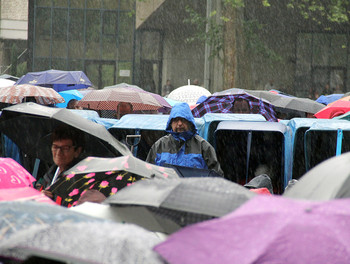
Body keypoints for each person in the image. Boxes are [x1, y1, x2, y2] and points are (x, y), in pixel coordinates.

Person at [146, 102, 223, 175]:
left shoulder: (203, 147)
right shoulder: (159, 146)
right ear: (171, 123)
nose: (179, 124)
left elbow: (216, 176)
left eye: (183, 120)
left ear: (189, 122)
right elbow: (147, 173)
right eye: (176, 120)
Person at [36, 125, 85, 199]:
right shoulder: (50, 174)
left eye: (65, 148)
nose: (58, 153)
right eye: (55, 147)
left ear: (77, 151)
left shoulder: (79, 180)